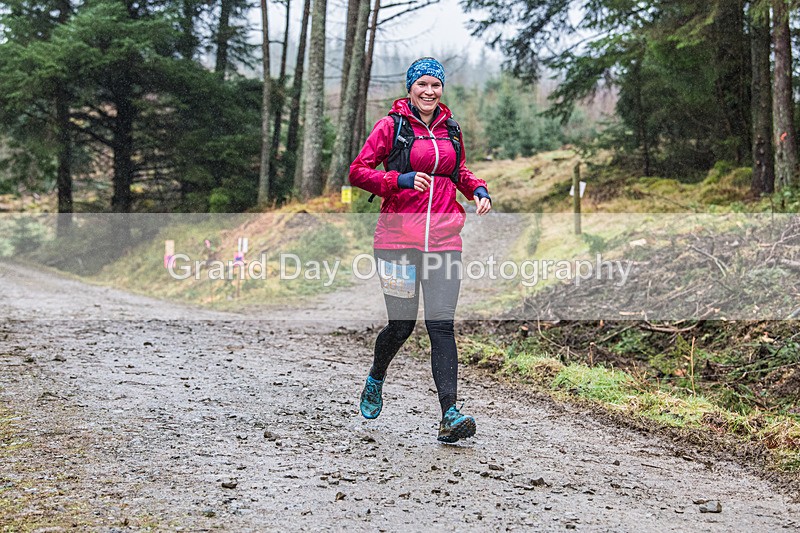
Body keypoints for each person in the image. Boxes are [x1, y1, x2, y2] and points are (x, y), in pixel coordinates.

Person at [349, 57, 492, 443]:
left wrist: (477, 188)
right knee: (402, 325)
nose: (429, 91)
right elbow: (358, 171)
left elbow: (457, 171)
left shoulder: (452, 129)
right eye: (422, 84)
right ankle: (376, 377)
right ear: (410, 86)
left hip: (445, 242)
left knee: (441, 325)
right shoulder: (390, 126)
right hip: (396, 244)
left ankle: (450, 414)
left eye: (436, 85)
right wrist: (400, 179)